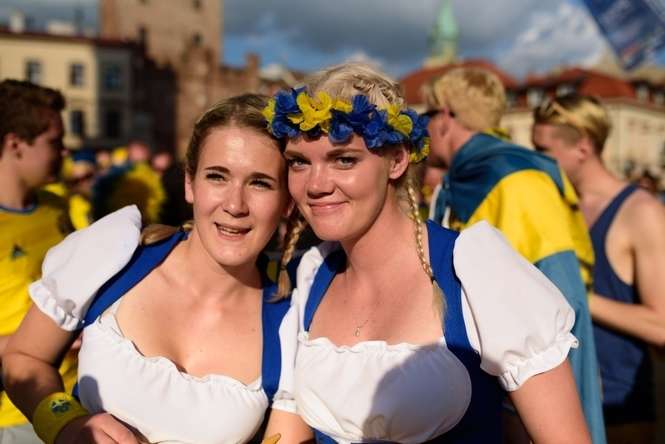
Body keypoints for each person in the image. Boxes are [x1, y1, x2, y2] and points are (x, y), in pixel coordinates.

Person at [267, 62, 590, 443]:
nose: (316, 185)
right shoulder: (313, 272)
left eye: (344, 160)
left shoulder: (474, 268)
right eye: (299, 162)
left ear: (397, 160)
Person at [3, 94, 312, 444]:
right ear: (189, 183)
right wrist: (66, 424)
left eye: (260, 183)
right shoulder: (117, 255)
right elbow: (24, 357)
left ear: (287, 202)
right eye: (217, 177)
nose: (234, 204)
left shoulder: (292, 322)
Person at [424, 67, 605, 443]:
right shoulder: (464, 177)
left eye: (428, 115)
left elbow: (562, 303)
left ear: (445, 115)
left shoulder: (518, 178)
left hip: (522, 404)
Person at [532, 94, 665, 444]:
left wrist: (577, 297)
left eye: (543, 150)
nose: (536, 160)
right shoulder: (555, 204)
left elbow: (662, 325)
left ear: (583, 147)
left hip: (619, 412)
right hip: (558, 405)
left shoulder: (641, 212)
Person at [0, 79, 77, 443]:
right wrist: (47, 339)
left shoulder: (56, 207)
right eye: (54, 142)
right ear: (15, 143)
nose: (64, 151)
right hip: (16, 416)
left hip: (75, 399)